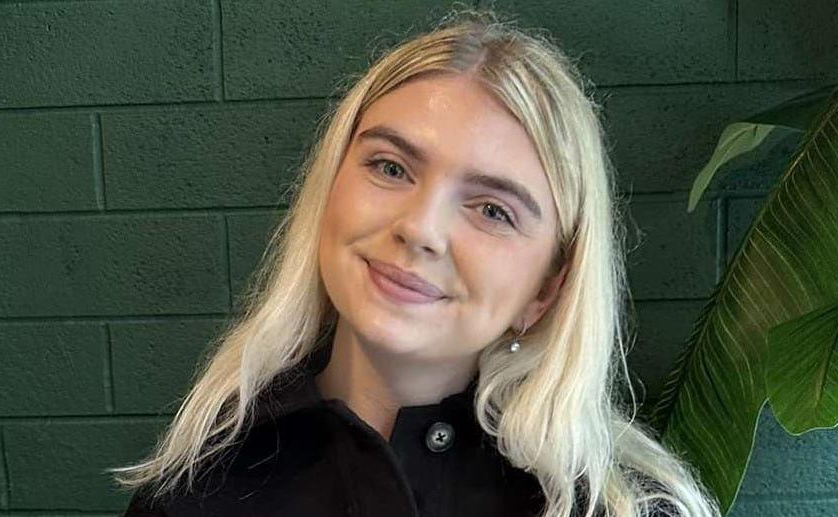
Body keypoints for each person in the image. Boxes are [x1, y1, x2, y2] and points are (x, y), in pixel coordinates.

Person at [113, 8, 719, 517]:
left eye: (492, 210)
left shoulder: (623, 507)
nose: (421, 229)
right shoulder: (193, 489)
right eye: (390, 168)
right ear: (329, 192)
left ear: (548, 289)